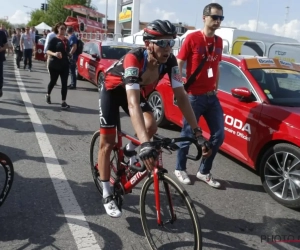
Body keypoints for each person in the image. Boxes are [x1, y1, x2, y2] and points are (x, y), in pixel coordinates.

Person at [98, 19, 212, 218]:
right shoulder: (134, 59)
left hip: (133, 91)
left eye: (171, 42)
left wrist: (197, 132)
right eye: (162, 43)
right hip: (112, 91)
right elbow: (132, 103)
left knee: (151, 126)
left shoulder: (169, 61)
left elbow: (182, 96)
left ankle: (128, 150)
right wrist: (145, 145)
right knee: (107, 143)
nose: (167, 48)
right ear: (148, 43)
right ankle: (107, 193)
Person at [175, 2, 225, 188]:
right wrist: (179, 88)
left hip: (212, 96)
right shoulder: (193, 38)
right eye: (214, 17)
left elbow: (217, 67)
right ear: (204, 18)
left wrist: (216, 88)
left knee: (219, 135)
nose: (218, 21)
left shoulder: (219, 42)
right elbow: (179, 62)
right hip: (194, 96)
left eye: (221, 18)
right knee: (188, 134)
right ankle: (180, 168)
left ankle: (204, 171)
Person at [45, 22, 71, 109]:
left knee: (64, 83)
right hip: (55, 64)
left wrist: (69, 54)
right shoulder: (54, 39)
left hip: (64, 64)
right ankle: (48, 94)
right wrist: (55, 54)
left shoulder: (66, 40)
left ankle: (63, 102)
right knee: (53, 81)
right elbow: (47, 51)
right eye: (61, 28)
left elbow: (67, 51)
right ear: (58, 29)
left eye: (64, 29)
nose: (63, 30)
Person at [0, 29, 8, 98]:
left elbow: (6, 45)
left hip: (0, 58)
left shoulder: (2, 33)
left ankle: (0, 88)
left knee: (0, 77)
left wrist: (2, 49)